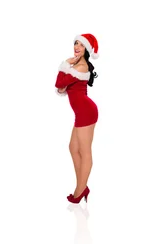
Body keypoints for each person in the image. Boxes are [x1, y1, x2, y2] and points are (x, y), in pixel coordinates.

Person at [55, 33, 100, 204]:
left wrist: (65, 64)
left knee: (85, 151)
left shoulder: (80, 67)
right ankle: (82, 185)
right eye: (76, 43)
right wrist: (64, 81)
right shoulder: (77, 65)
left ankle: (80, 190)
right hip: (81, 112)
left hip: (87, 112)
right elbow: (63, 88)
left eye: (81, 45)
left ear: (87, 49)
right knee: (73, 148)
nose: (77, 47)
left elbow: (59, 84)